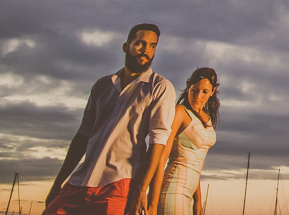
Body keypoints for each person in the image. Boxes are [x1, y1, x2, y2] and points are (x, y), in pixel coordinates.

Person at [44, 24, 177, 215]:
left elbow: (158, 142)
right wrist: (58, 183)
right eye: (140, 43)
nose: (146, 50)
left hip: (119, 183)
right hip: (80, 181)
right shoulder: (102, 85)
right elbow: (82, 136)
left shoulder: (160, 87)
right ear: (126, 46)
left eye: (152, 45)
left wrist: (141, 189)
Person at [151, 69, 219, 215]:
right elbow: (162, 158)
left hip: (190, 195)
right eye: (194, 90)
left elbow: (196, 163)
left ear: (212, 91)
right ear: (188, 87)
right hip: (173, 190)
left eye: (205, 92)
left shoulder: (207, 118)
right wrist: (152, 203)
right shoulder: (180, 112)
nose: (198, 96)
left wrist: (198, 201)